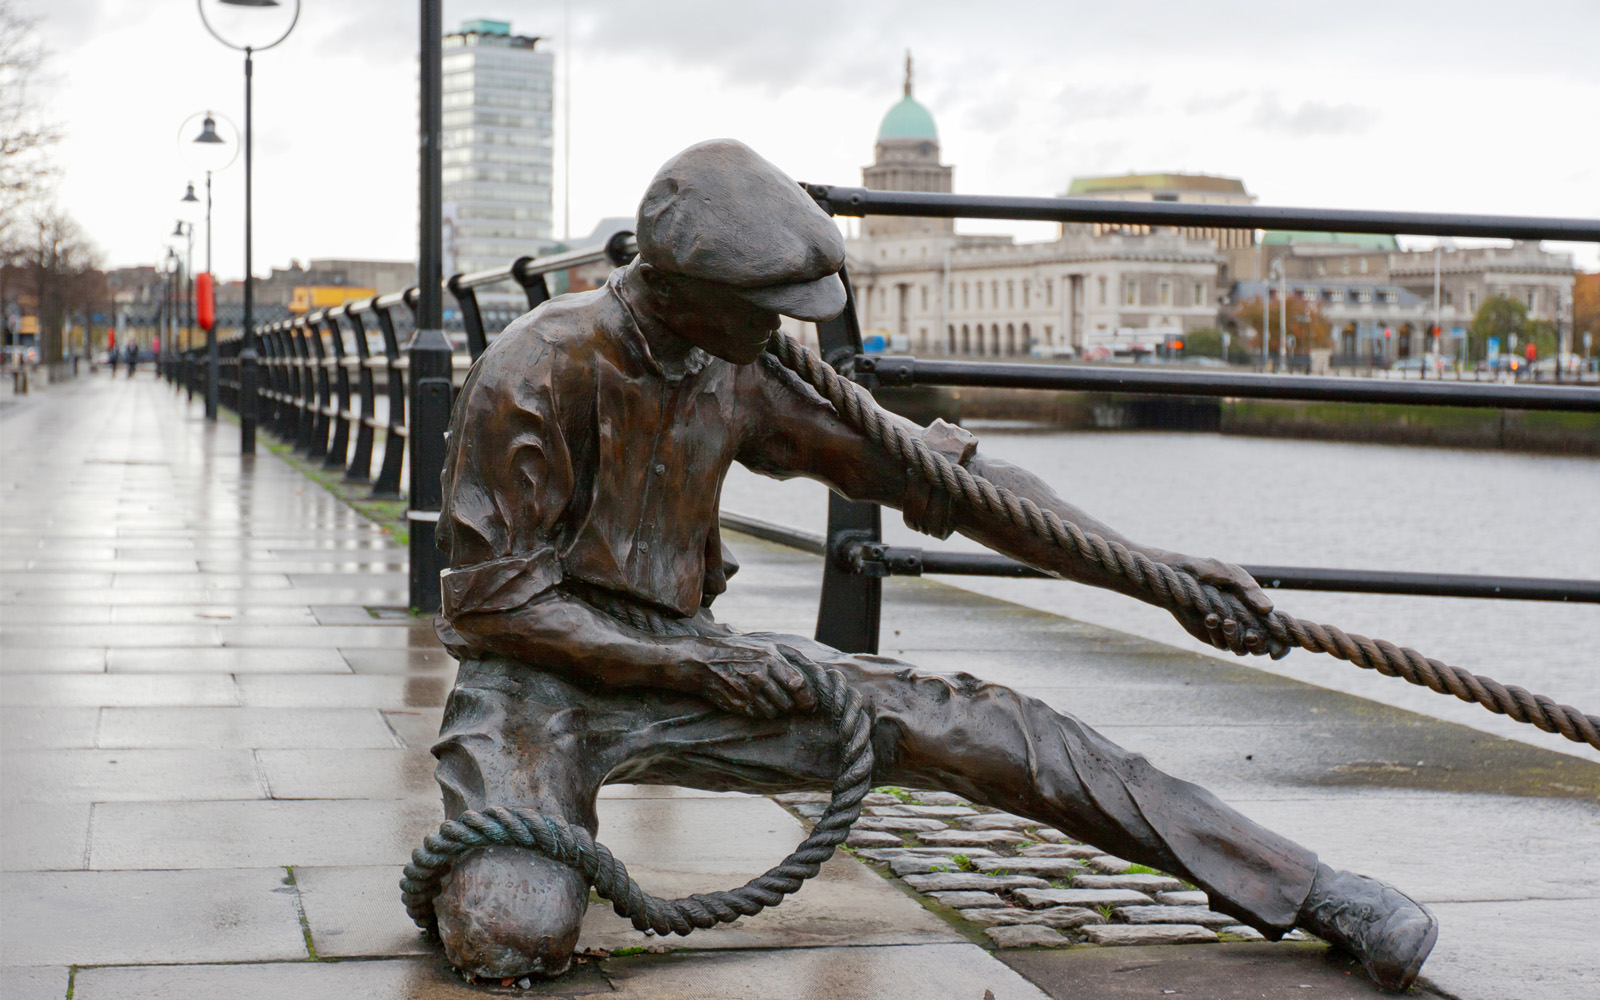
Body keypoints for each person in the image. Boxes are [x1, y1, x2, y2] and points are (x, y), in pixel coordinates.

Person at [429, 140, 1437, 989]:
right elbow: (493, 615)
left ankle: (1308, 888)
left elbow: (958, 486)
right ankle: (510, 837)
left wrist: (1161, 575)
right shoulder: (536, 366)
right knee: (515, 931)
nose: (780, 329)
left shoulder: (743, 365)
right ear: (682, 287)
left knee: (992, 724)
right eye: (761, 305)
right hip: (536, 682)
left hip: (690, 661)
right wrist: (702, 667)